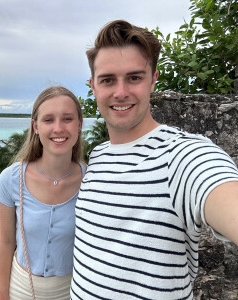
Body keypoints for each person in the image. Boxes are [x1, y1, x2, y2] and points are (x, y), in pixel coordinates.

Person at [71, 20, 238, 299]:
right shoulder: (98, 155)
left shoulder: (181, 156)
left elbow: (219, 190)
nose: (120, 91)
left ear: (153, 80)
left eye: (134, 77)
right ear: (93, 86)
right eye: (108, 79)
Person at [0, 86, 86, 300]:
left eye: (67, 119)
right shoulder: (11, 179)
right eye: (48, 120)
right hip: (21, 290)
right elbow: (6, 242)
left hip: (74, 291)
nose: (58, 128)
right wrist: (2, 295)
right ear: (35, 126)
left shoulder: (91, 180)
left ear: (79, 125)